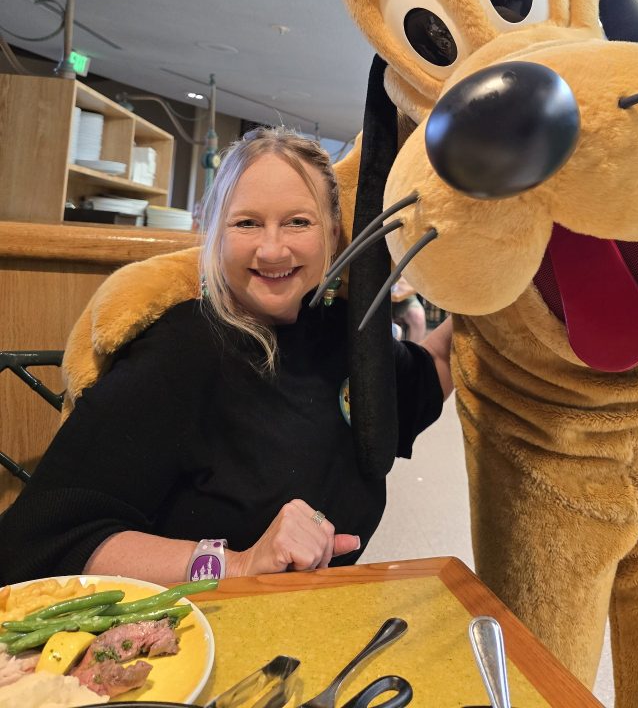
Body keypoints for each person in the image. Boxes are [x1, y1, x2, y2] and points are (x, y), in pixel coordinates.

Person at [0, 128, 452, 586]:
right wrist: (235, 564)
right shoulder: (181, 350)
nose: (272, 248)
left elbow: (434, 368)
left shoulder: (347, 332)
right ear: (215, 233)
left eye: (298, 221)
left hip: (312, 621)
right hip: (190, 635)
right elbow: (37, 540)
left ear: (334, 234)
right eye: (247, 223)